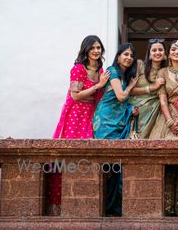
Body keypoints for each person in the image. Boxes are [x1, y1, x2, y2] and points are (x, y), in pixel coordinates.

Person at [48, 35, 110, 215]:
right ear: (86, 50)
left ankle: (87, 202)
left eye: (99, 47)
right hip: (76, 114)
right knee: (71, 155)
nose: (96, 51)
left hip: (91, 113)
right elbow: (75, 95)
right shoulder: (78, 69)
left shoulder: (100, 71)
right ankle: (59, 204)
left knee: (90, 155)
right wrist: (98, 86)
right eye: (93, 48)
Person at [93, 43, 138, 217]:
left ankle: (112, 207)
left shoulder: (123, 76)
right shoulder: (112, 70)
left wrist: (131, 109)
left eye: (131, 55)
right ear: (118, 56)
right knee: (107, 163)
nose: (128, 58)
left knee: (117, 165)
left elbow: (123, 101)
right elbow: (120, 96)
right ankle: (103, 206)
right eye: (125, 54)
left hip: (118, 121)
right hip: (106, 121)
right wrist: (131, 86)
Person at [128, 39, 167, 139]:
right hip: (137, 110)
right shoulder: (140, 65)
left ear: (165, 54)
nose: (157, 52)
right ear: (149, 54)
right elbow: (130, 90)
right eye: (154, 50)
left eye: (160, 50)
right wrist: (152, 88)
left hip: (156, 111)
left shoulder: (167, 71)